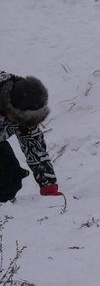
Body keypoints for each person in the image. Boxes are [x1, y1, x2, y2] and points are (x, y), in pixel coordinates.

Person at [0, 71, 63, 202]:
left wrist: (48, 187)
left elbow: (33, 145)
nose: (21, 123)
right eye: (17, 119)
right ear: (8, 107)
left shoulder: (26, 104)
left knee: (10, 180)